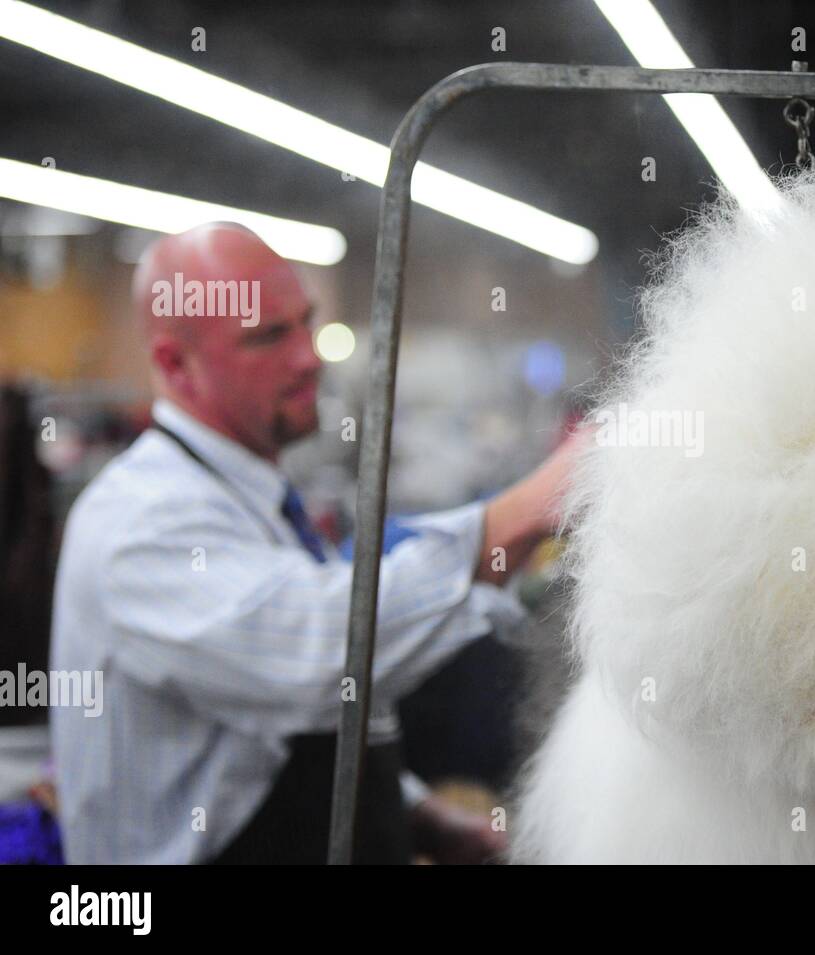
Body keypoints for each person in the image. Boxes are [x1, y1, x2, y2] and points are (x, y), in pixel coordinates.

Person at [49, 222, 581, 863]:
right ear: (173, 364)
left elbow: (256, 737)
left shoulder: (248, 496)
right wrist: (524, 511)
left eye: (304, 322)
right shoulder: (140, 522)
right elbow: (322, 653)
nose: (309, 357)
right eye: (268, 336)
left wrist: (416, 813)